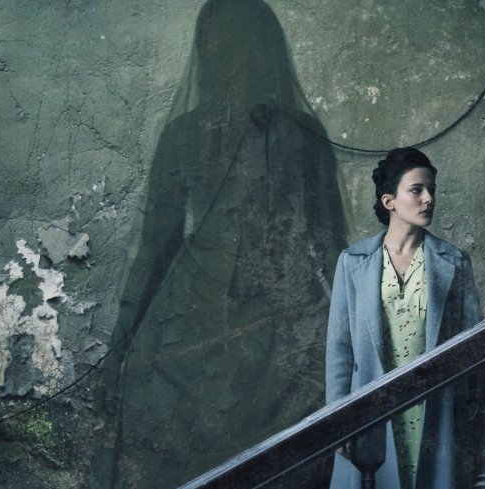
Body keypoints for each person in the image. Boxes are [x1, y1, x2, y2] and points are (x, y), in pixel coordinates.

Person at [96, 1, 346, 487]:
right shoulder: (183, 135)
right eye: (213, 44)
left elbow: (331, 243)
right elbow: (155, 248)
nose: (222, 56)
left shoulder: (302, 133)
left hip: (283, 322)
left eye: (233, 44)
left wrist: (353, 337)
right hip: (194, 322)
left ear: (260, 51)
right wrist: (119, 350)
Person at [325, 147, 485, 489]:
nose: (428, 199)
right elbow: (340, 349)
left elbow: (468, 346)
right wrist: (338, 421)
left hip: (433, 411)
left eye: (431, 190)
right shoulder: (353, 262)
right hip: (371, 413)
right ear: (389, 201)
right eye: (416, 190)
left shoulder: (453, 261)